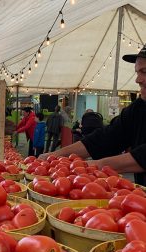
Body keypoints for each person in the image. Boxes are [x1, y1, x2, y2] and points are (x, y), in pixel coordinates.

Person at [39, 44, 146, 186]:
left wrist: (90, 166)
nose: (137, 80)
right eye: (137, 72)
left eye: (144, 71)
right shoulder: (139, 108)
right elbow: (106, 137)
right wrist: (53, 156)